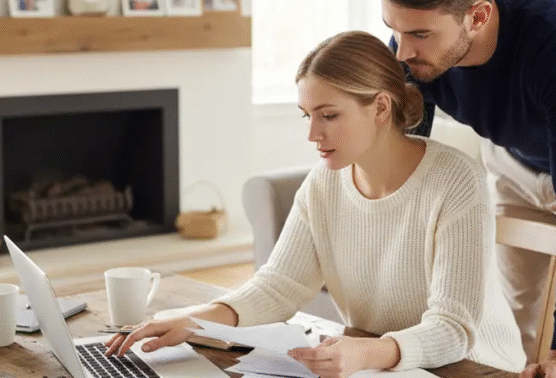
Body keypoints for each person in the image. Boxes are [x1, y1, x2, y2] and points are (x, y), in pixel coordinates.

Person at [104, 30, 526, 377]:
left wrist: (366, 353)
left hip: (473, 366)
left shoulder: (454, 181)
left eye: (329, 116)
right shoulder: (325, 183)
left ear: (380, 107)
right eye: (307, 116)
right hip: (380, 365)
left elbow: (453, 329)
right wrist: (194, 320)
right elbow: (281, 285)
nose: (313, 135)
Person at [380, 0, 556, 377]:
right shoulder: (412, 46)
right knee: (511, 339)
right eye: (394, 30)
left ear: (478, 16)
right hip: (514, 159)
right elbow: (405, 152)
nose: (401, 51)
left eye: (419, 34)